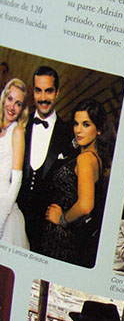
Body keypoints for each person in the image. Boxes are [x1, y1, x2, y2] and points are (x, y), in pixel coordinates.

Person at [41, 98, 111, 267]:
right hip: (70, 237)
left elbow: (86, 206)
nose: (78, 130)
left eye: (86, 124)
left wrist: (62, 219)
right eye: (76, 124)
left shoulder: (86, 159)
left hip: (63, 237)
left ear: (98, 129)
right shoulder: (95, 158)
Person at [18, 65, 77, 250]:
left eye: (48, 91)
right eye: (38, 90)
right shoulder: (19, 124)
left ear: (57, 93)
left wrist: (63, 216)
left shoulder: (68, 132)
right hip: (14, 218)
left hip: (46, 229)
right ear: (33, 92)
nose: (43, 98)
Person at [0, 78, 29, 248]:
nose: (12, 107)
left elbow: (16, 181)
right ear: (4, 99)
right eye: (10, 99)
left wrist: (1, 219)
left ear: (22, 109)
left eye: (18, 104)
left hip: (5, 210)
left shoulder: (17, 131)